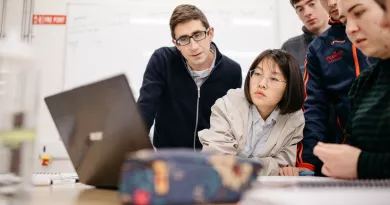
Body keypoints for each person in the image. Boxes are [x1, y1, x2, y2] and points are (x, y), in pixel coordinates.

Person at [280, 0, 373, 176]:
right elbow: (314, 107)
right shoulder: (317, 48)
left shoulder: (377, 31)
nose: (331, 3)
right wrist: (307, 162)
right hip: (343, 152)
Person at [137, 4, 242, 149]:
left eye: (198, 35)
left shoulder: (232, 71)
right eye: (184, 39)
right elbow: (145, 110)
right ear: (176, 44)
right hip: (168, 157)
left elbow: (231, 125)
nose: (193, 46)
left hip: (210, 159)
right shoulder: (162, 61)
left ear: (210, 33)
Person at [313, 0, 390, 179]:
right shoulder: (364, 83)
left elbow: (358, 162)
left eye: (359, 13)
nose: (350, 29)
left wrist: (362, 165)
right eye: (345, 21)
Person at [199, 49, 305, 176]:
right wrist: (269, 166)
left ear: (290, 86)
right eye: (258, 73)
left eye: (274, 78)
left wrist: (239, 164)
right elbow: (218, 160)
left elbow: (283, 165)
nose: (262, 84)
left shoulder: (294, 119)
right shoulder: (228, 105)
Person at [282, 0, 329, 72]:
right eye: (300, 9)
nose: (307, 13)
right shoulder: (289, 49)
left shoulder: (348, 37)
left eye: (312, 4)